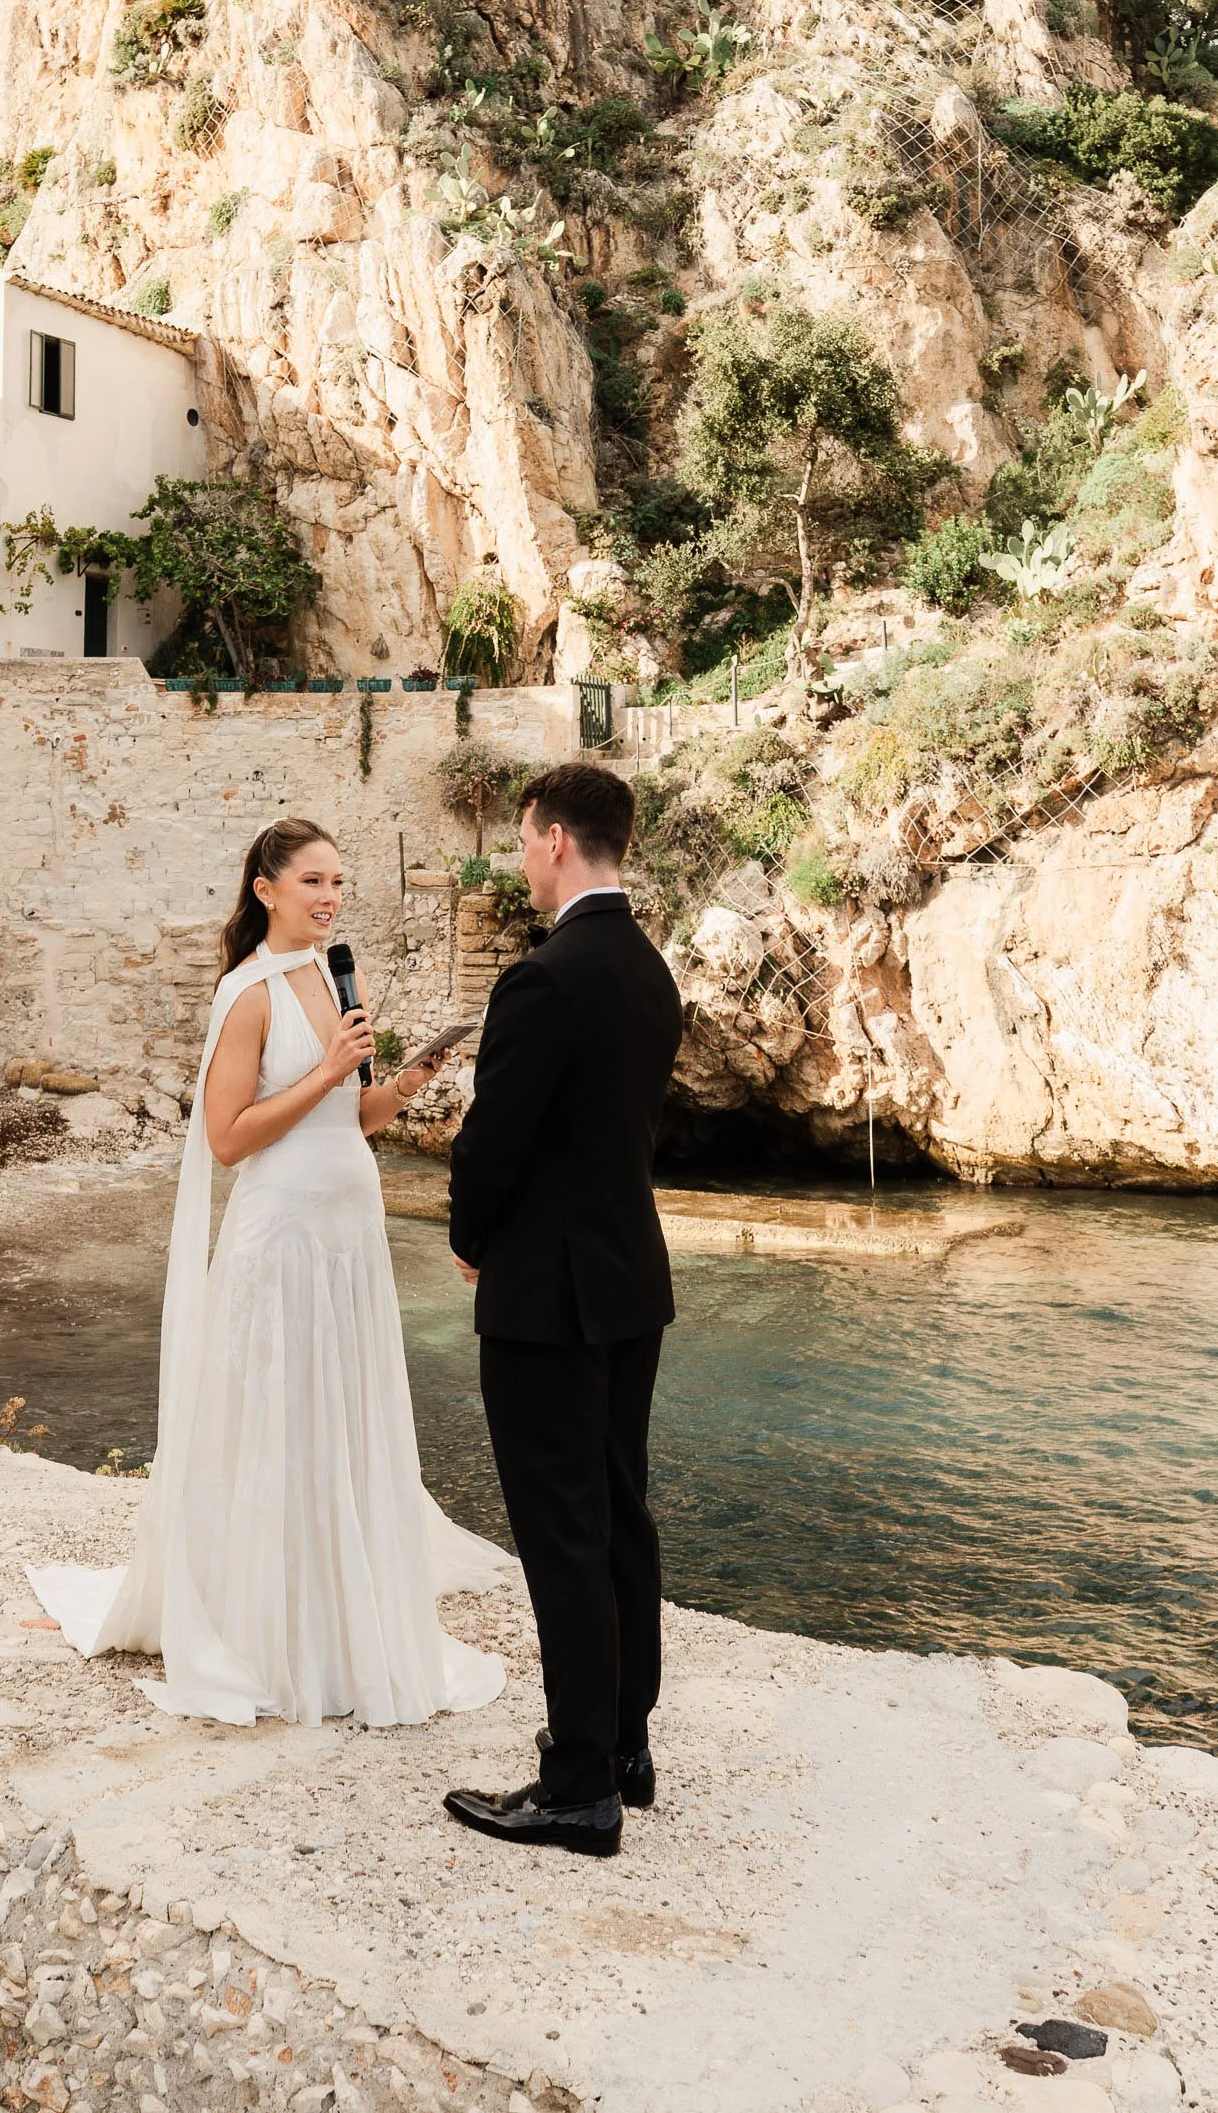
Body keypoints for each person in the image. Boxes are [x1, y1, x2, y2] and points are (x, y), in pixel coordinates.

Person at [28, 816, 508, 1727]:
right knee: (276, 1422)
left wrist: (401, 1086)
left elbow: (347, 1119)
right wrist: (327, 1072)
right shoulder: (245, 994)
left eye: (338, 882)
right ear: (266, 889)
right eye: (313, 881)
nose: (330, 898)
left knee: (339, 1418)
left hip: (348, 1235)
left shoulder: (327, 976)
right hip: (280, 1238)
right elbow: (228, 1138)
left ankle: (339, 1613)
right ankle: (269, 1631)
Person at [441, 762, 683, 1858]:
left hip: (546, 1295)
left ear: (550, 840)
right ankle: (625, 1745)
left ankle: (578, 1785)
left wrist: (469, 1238)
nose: (519, 861)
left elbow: (495, 1138)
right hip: (630, 1281)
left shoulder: (543, 977)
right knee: (620, 1514)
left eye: (521, 840)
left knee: (562, 1535)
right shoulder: (647, 969)